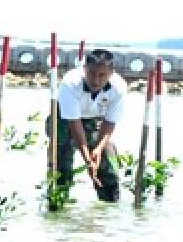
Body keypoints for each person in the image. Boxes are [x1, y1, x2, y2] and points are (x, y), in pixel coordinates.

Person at [50, 48, 126, 202]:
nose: (96, 81)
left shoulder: (119, 88)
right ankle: (57, 208)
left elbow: (110, 122)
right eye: (91, 74)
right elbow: (75, 123)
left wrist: (97, 150)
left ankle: (107, 210)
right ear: (84, 69)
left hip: (95, 119)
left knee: (108, 170)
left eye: (102, 75)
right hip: (65, 119)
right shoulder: (70, 83)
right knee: (61, 170)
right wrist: (88, 160)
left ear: (111, 74)